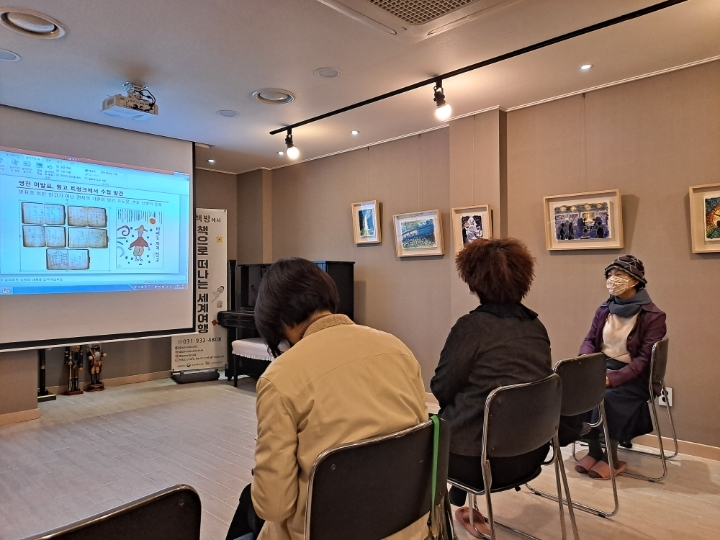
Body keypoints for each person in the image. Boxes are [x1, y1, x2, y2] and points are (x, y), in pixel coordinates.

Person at [226, 258, 429, 540]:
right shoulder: (398, 349)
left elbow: (274, 506)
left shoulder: (281, 376)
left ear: (275, 318)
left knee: (251, 502)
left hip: (326, 530)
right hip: (409, 527)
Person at [430, 238, 552, 538]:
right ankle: (462, 501)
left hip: (477, 463)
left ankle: (434, 524)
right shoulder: (536, 326)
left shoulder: (471, 327)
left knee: (423, 437)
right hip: (532, 452)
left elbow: (442, 387)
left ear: (474, 283)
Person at [574, 254, 667, 479]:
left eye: (619, 274)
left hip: (634, 377)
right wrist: (586, 361)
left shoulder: (653, 316)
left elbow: (644, 360)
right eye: (609, 275)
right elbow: (589, 340)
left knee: (606, 397)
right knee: (576, 389)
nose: (612, 279)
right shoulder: (604, 309)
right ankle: (594, 451)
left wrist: (612, 378)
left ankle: (611, 458)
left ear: (635, 280)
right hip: (602, 367)